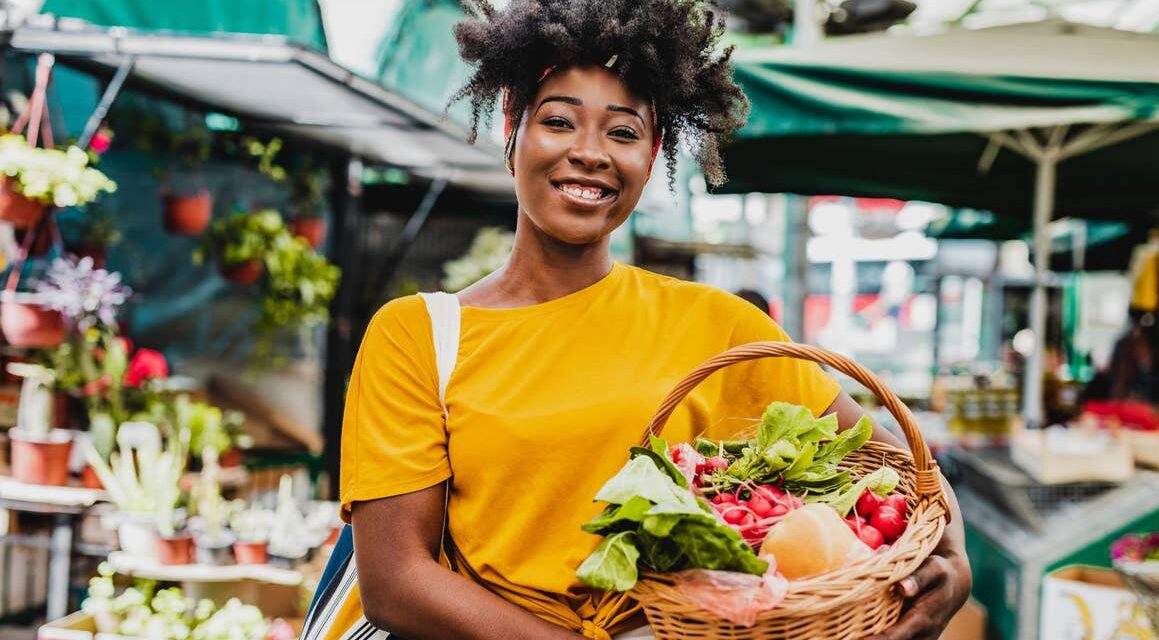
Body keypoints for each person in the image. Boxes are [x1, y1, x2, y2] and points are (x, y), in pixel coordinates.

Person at [315, 1, 971, 638]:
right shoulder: (418, 336)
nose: (591, 153)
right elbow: (396, 581)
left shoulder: (720, 327)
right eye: (560, 121)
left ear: (652, 155)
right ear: (512, 126)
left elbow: (908, 472)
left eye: (623, 131)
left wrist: (956, 567)